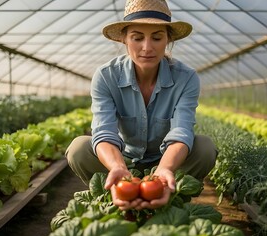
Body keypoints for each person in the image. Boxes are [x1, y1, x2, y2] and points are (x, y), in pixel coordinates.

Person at [66, 0, 217, 211]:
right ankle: (116, 195)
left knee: (205, 148)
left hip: (165, 159)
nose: (147, 47)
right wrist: (118, 167)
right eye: (137, 38)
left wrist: (164, 170)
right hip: (124, 158)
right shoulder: (106, 76)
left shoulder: (186, 78)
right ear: (124, 40)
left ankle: (169, 198)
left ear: (168, 39)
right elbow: (104, 132)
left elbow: (182, 131)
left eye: (157, 37)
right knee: (79, 149)